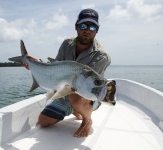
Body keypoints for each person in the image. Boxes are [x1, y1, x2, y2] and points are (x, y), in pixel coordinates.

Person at [24, 8, 111, 138]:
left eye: (92, 27)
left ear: (97, 30)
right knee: (43, 121)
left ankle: (87, 119)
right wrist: (38, 64)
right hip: (68, 91)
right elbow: (56, 67)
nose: (87, 30)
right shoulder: (66, 44)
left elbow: (88, 86)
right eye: (83, 26)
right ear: (76, 27)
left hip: (89, 96)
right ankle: (76, 110)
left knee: (75, 96)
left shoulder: (101, 55)